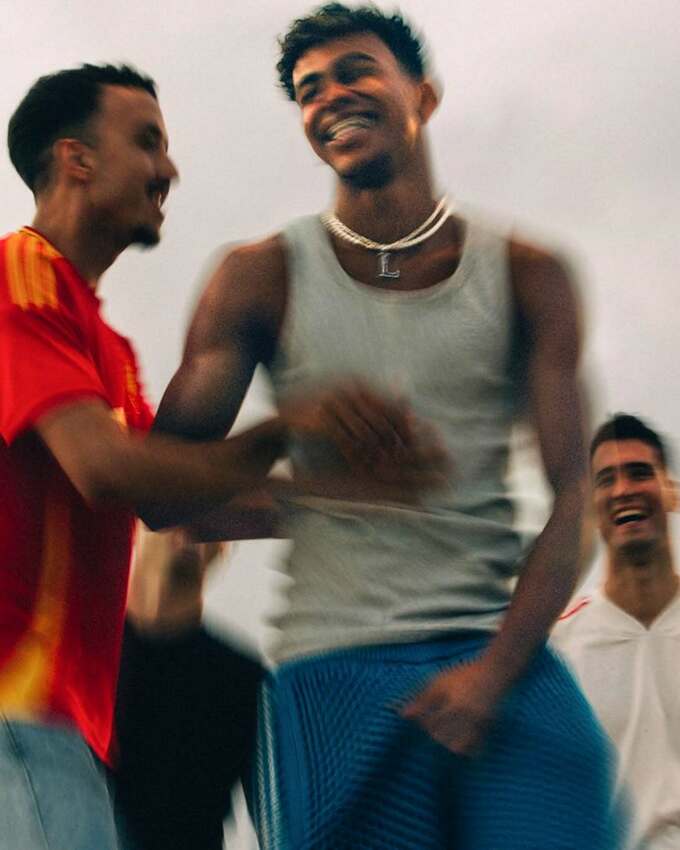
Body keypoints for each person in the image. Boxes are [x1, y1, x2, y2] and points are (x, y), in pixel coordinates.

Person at [151, 4, 624, 847]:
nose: (331, 96)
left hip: (501, 656)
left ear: (424, 96)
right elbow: (162, 496)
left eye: (356, 71)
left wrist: (495, 672)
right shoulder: (257, 278)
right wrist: (323, 482)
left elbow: (574, 495)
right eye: (309, 89)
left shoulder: (529, 274)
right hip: (335, 675)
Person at [0, 62, 436, 850]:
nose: (168, 170)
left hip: (60, 739)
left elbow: (171, 501)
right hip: (16, 722)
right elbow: (106, 469)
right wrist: (284, 426)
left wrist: (362, 497)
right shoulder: (20, 277)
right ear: (76, 159)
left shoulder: (107, 349)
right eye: (147, 142)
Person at [553, 414, 680, 850]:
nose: (624, 489)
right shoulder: (560, 649)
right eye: (606, 480)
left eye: (640, 473)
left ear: (670, 491)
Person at [115, 527, 262, 850]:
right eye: (175, 513)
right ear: (135, 528)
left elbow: (275, 820)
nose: (192, 534)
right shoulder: (87, 658)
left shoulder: (243, 679)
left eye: (211, 524)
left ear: (225, 548)